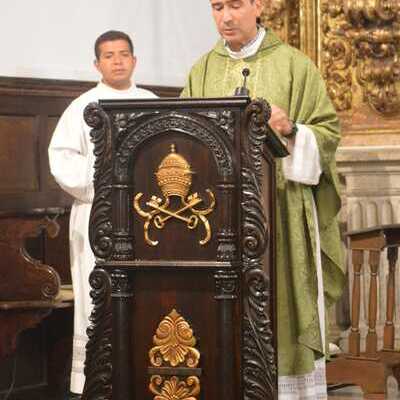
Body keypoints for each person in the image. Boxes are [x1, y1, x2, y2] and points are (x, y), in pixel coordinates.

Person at [181, 1, 345, 399]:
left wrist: (291, 129)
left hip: (282, 214)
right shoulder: (201, 69)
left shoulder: (294, 65)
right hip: (218, 217)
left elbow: (328, 133)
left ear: (257, 6)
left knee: (282, 305)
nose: (226, 17)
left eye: (235, 5)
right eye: (217, 7)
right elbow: (183, 135)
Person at [48, 30, 157, 399]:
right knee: (99, 296)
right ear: (97, 64)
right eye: (109, 55)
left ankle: (145, 367)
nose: (117, 61)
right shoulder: (83, 106)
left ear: (134, 60)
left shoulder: (151, 102)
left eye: (124, 54)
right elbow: (61, 158)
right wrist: (106, 184)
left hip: (147, 216)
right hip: (98, 214)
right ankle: (95, 379)